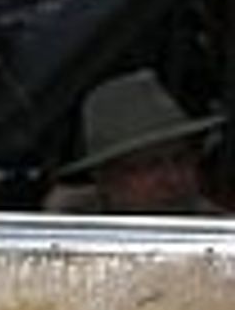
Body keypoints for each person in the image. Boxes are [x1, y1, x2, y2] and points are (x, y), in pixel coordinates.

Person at [46, 66, 225, 216]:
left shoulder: (218, 233)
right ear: (106, 178)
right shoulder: (78, 239)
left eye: (181, 159)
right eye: (151, 165)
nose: (174, 179)